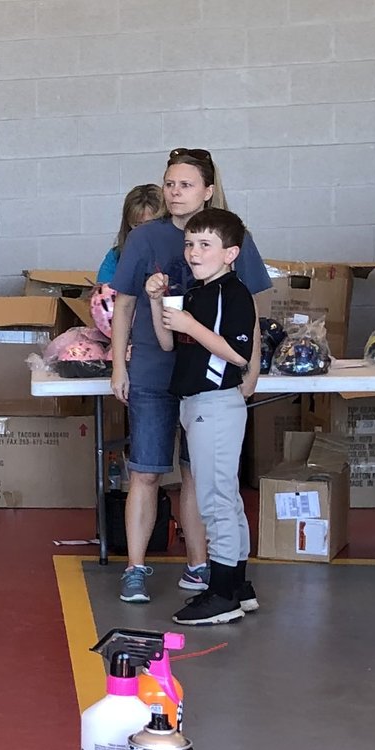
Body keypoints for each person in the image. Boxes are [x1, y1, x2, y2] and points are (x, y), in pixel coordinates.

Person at [107, 147, 272, 606]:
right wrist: (120, 364)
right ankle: (136, 568)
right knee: (145, 471)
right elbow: (124, 304)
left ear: (208, 191)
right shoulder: (145, 239)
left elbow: (252, 310)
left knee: (200, 476)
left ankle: (201, 566)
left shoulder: (233, 235)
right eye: (169, 183)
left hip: (208, 379)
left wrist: (251, 367)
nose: (175, 193)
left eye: (185, 184)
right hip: (155, 373)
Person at [144, 208, 260, 627]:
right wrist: (159, 303)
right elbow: (167, 344)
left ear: (230, 253)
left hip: (217, 403)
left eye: (205, 245)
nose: (194, 252)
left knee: (215, 501)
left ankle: (222, 592)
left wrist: (191, 324)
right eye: (190, 244)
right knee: (223, 497)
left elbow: (238, 354)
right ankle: (238, 586)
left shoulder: (234, 293)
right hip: (195, 404)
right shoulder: (195, 293)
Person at [97, 183, 166, 287]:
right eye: (137, 225)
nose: (142, 232)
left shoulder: (180, 252)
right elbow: (103, 297)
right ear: (128, 224)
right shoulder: (116, 256)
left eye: (149, 225)